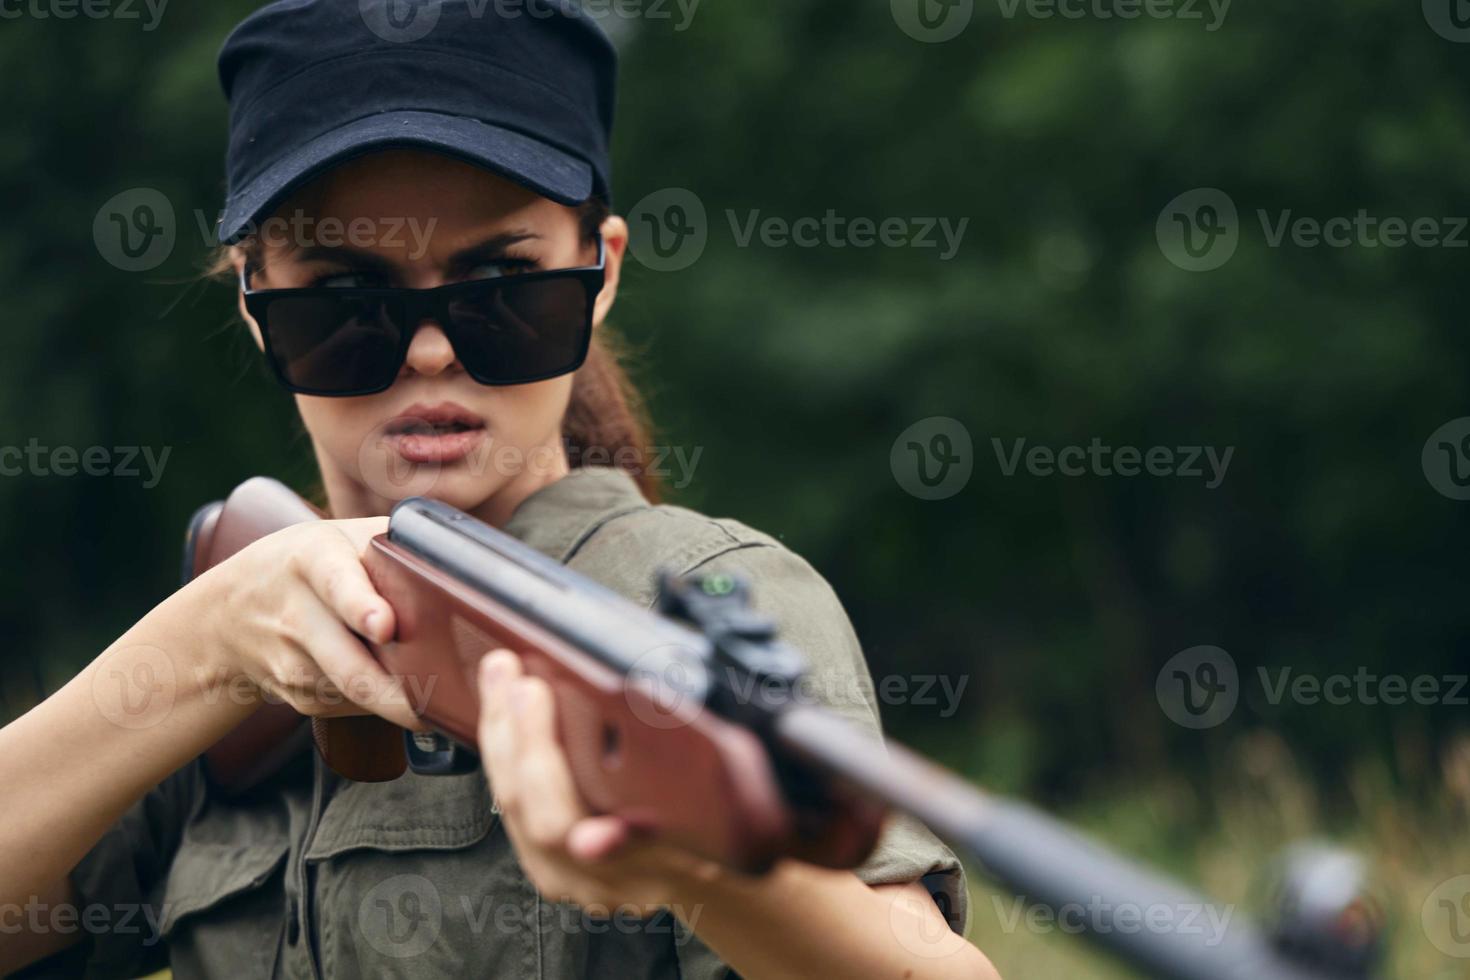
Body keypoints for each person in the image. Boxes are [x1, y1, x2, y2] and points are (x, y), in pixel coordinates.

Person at [0, 2, 998, 977]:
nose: (431, 350)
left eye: (502, 289)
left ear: (599, 271)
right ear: (254, 299)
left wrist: (713, 868)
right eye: (347, 298)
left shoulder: (697, 594)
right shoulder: (236, 635)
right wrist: (209, 639)